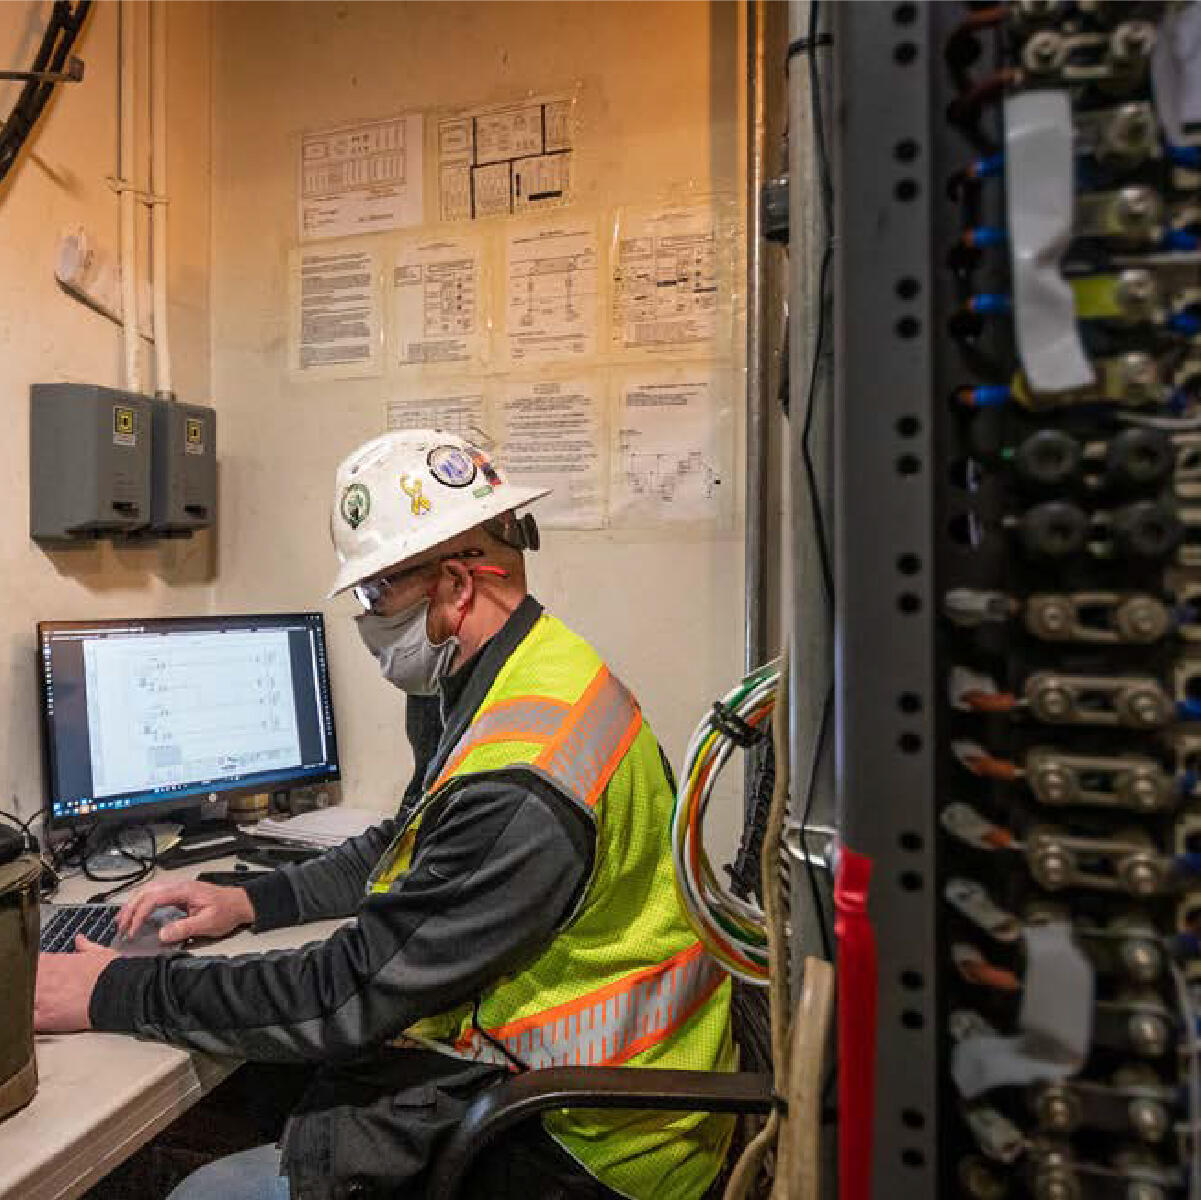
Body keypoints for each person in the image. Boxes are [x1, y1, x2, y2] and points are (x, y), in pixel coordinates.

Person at [35, 430, 736, 1199]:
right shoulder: (530, 674)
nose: (367, 619)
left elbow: (342, 991)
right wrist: (250, 900)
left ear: (458, 586)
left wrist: (110, 992)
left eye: (375, 594)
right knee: (276, 1095)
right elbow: (410, 842)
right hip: (567, 1089)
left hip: (588, 1149)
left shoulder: (519, 782)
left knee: (202, 1191)